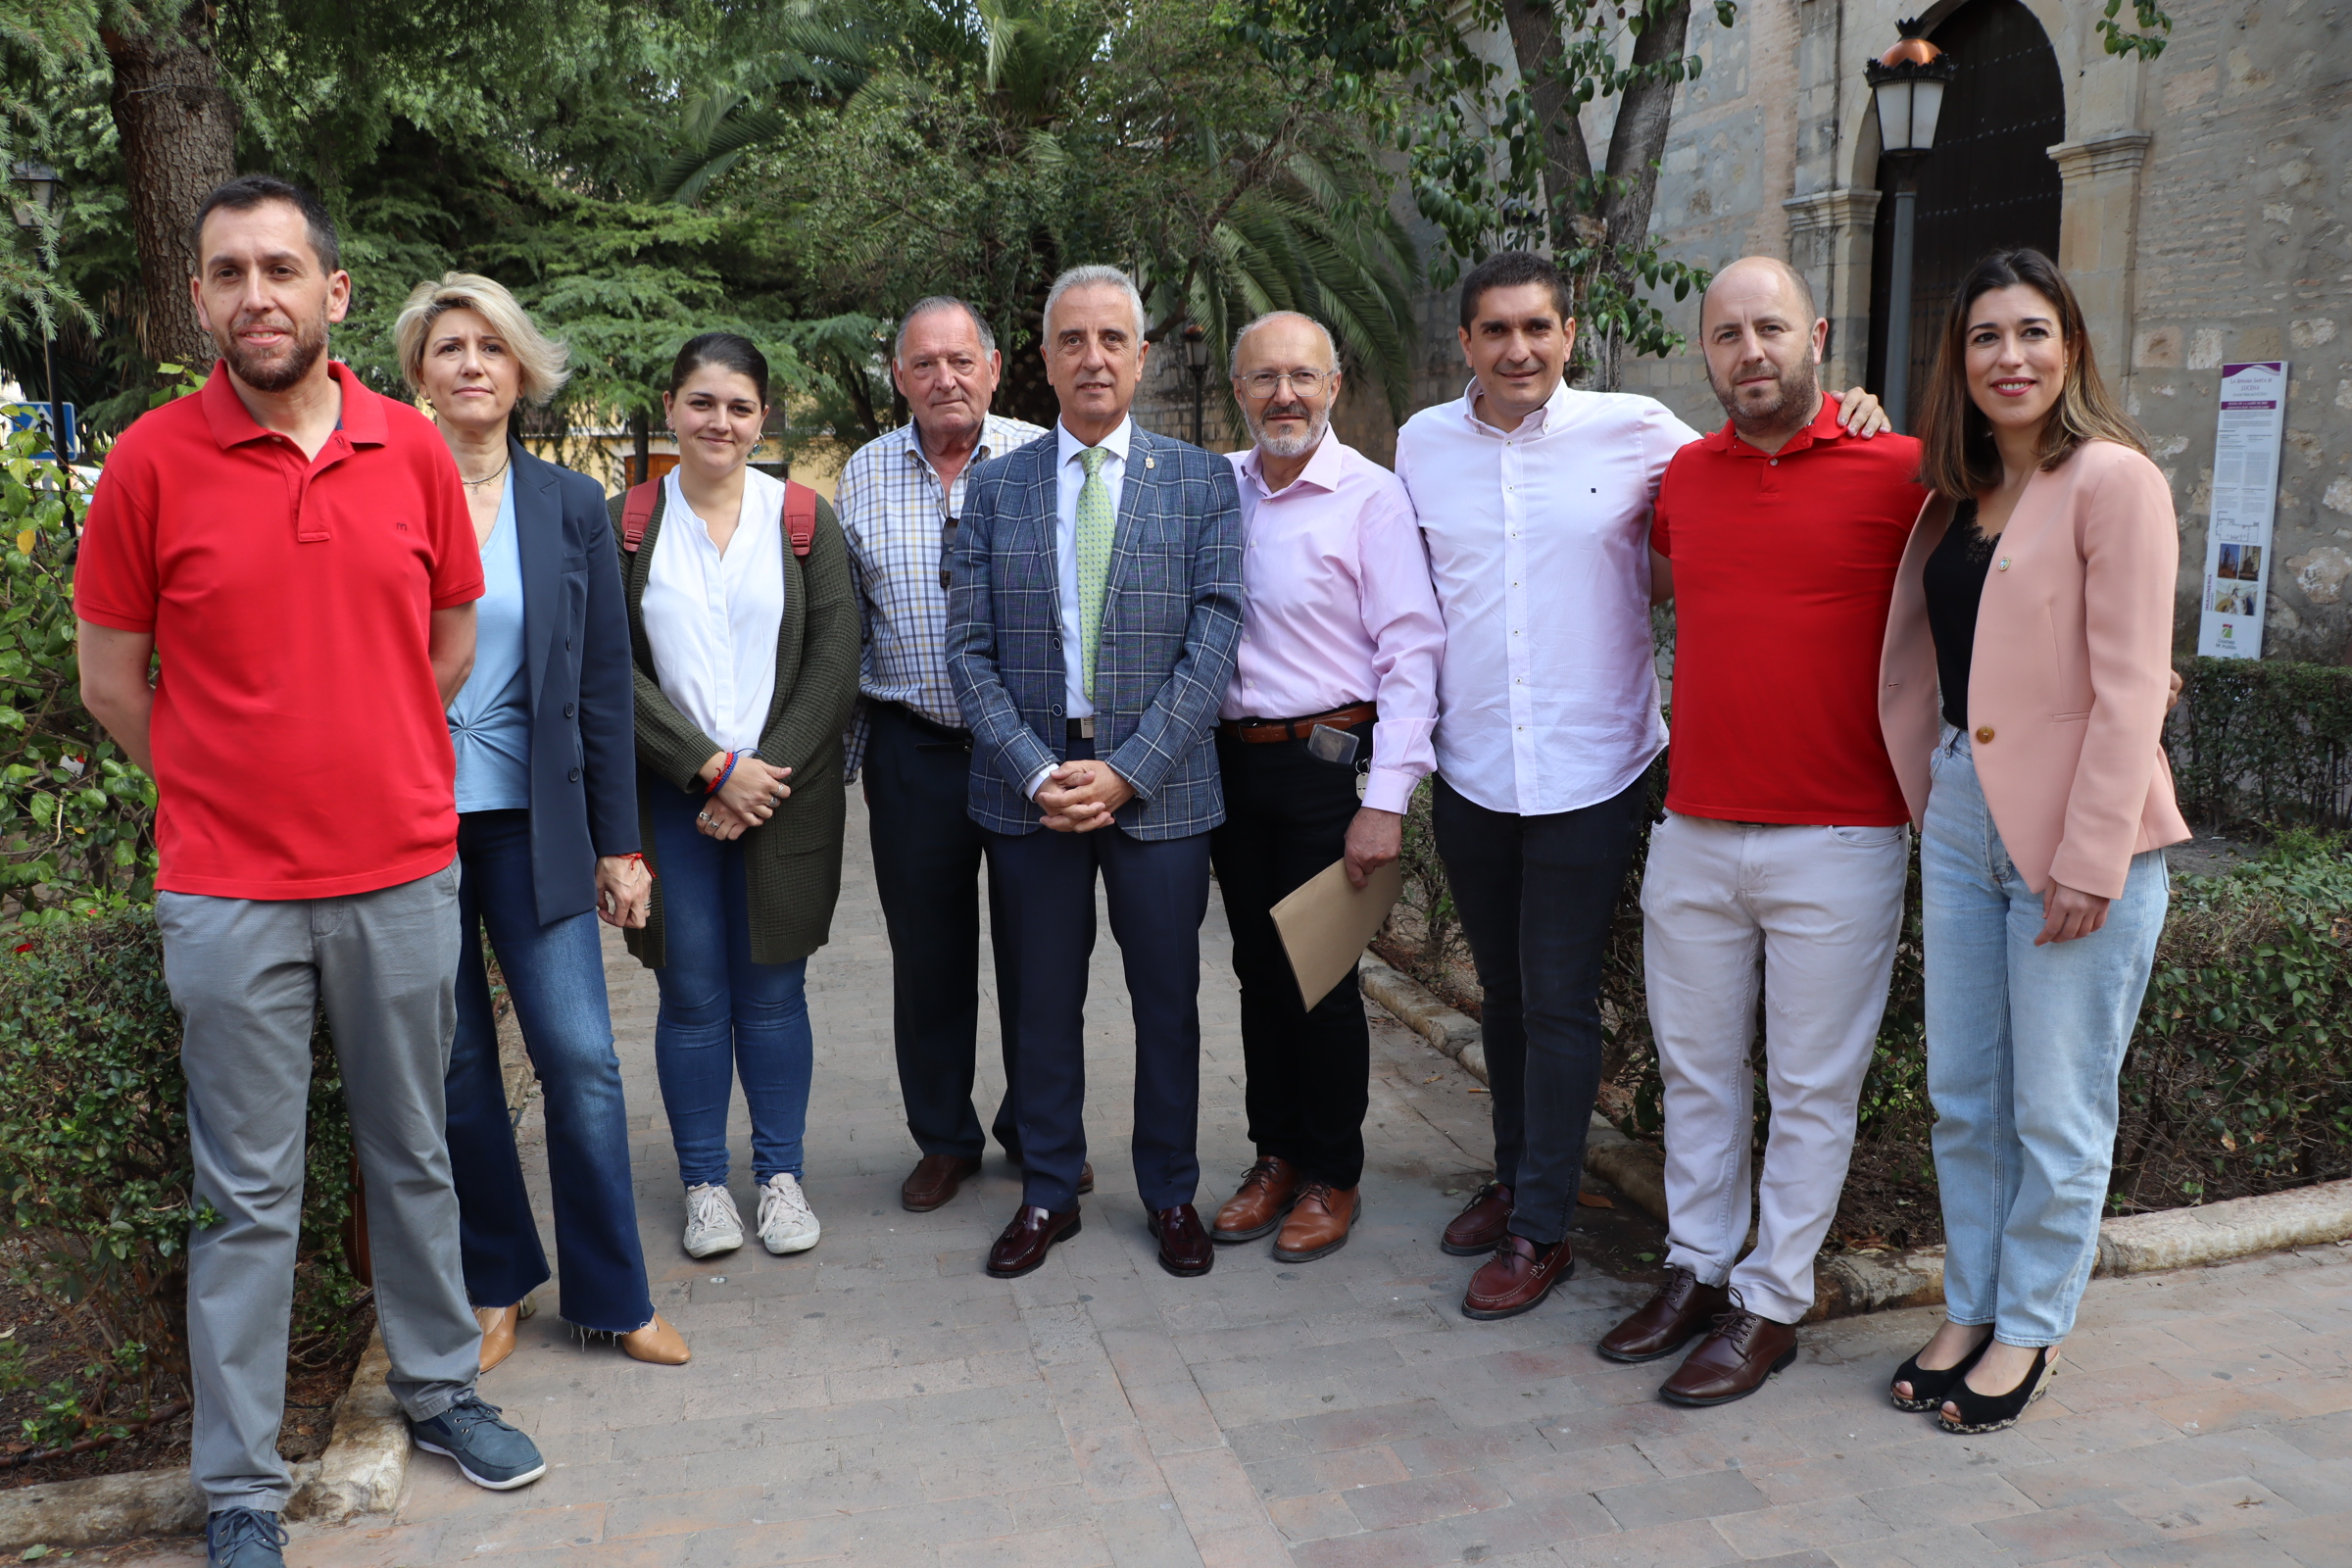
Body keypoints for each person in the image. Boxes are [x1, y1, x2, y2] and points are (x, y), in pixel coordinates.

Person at [74, 175, 544, 1568]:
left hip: (400, 868)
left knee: (411, 1152)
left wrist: (370, 756)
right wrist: (226, 783)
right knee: (250, 1193)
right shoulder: (153, 463)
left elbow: (449, 641)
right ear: (203, 296)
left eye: (281, 268)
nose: (255, 293)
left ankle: (443, 1390)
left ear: (334, 296)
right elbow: (111, 680)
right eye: (228, 272)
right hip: (226, 890)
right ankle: (236, 1486)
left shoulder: (409, 453)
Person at [1396, 250, 1889, 1324]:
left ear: (1570, 335)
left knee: (1562, 999)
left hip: (1594, 767)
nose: (1518, 349)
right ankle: (1521, 1172)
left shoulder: (1642, 435)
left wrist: (1857, 407)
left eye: (1538, 328)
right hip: (1474, 767)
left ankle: (1543, 1228)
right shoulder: (1421, 445)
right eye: (1495, 331)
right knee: (1506, 995)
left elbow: (1759, 464)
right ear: (1467, 344)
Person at [1595, 258, 1916, 1404]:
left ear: (1817, 335)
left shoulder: (1902, 470)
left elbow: (2006, 570)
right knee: (1696, 1071)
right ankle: (1695, 1265)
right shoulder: (1685, 475)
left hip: (1841, 834)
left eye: (1771, 327)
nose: (1751, 352)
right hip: (1695, 825)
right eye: (1727, 335)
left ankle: (1771, 1300)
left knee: (1814, 1087)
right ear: (1707, 353)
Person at [1882, 248, 2186, 1434]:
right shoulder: (1953, 492)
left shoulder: (2114, 481)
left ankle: (2031, 1326)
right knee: (1965, 1093)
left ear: (2071, 349)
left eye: (2032, 332)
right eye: (1985, 338)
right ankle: (1972, 1300)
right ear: (1958, 361)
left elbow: (2129, 691)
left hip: (2076, 826)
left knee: (2056, 1103)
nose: (2010, 358)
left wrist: (2092, 854)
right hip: (1962, 809)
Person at [394, 272, 685, 1372]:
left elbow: (604, 684)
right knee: (459, 1063)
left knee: (582, 1057)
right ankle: (495, 1283)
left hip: (536, 822)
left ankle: (612, 1294)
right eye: (447, 347)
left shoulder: (568, 505)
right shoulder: (383, 488)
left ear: (521, 370)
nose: (470, 363)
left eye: (491, 347)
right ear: (419, 372)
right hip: (409, 822)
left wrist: (624, 844)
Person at [946, 264, 1244, 1281]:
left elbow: (1216, 642)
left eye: (1113, 338)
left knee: (1168, 999)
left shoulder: (1201, 482)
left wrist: (1126, 772)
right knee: (1040, 1000)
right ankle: (1047, 1190)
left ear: (1143, 354)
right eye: (1072, 340)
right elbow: (968, 653)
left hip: (1159, 792)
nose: (1093, 357)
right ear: (1043, 360)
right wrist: (1037, 772)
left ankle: (1170, 1190)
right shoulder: (992, 487)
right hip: (1031, 792)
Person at [836, 298, 1097, 1213]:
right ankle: (943, 1137)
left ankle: (1040, 1129)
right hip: (915, 753)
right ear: (899, 378)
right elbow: (850, 628)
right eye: (923, 365)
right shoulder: (862, 477)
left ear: (993, 367)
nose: (944, 379)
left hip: (1029, 753)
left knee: (1044, 955)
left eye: (960, 361)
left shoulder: (1046, 461)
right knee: (929, 957)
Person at [617, 333, 861, 1262]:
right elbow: (611, 671)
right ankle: (704, 1186)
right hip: (672, 801)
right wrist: (709, 769)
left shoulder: (802, 519)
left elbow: (836, 661)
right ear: (672, 407)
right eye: (702, 402)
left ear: (765, 418)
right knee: (689, 993)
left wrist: (758, 775)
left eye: (740, 407)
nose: (721, 422)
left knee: (771, 991)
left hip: (783, 800)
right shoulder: (626, 523)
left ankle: (781, 1177)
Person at [1205, 311, 1442, 1263]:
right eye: (1264, 378)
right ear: (1238, 392)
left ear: (1334, 386)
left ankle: (1333, 1174)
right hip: (1232, 767)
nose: (1285, 395)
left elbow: (1413, 651)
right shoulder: (1217, 489)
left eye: (1303, 376)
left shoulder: (1372, 498)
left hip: (1328, 769)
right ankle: (1276, 1154)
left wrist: (1387, 799)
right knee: (1258, 974)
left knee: (1324, 982)